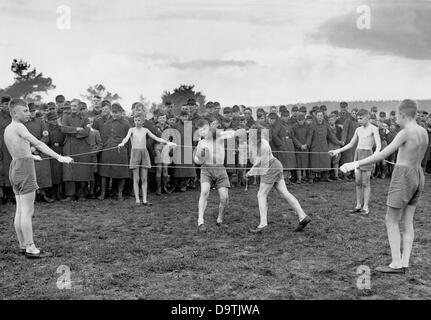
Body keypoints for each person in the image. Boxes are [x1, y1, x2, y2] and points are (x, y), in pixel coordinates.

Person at [340, 100, 427, 274]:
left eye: (396, 115)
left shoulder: (405, 132)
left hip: (404, 175)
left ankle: (396, 263)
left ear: (402, 114)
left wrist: (354, 163)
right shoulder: (423, 131)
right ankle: (405, 262)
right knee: (407, 221)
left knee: (391, 220)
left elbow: (381, 155)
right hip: (419, 174)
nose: (395, 118)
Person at [4, 99, 73, 258]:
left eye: (28, 110)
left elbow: (18, 149)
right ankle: (31, 247)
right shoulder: (19, 126)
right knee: (27, 211)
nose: (28, 113)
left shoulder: (8, 129)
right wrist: (59, 157)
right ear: (15, 113)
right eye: (25, 111)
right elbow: (38, 144)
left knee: (20, 210)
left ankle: (23, 245)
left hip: (15, 166)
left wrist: (30, 156)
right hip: (24, 169)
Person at [246, 126, 311, 233]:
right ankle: (303, 216)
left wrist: (251, 172)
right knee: (284, 193)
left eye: (252, 135)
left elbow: (260, 162)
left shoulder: (263, 145)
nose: (250, 137)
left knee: (261, 195)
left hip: (271, 167)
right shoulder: (257, 142)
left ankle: (263, 224)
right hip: (275, 165)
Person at [329, 109, 381, 215]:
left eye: (361, 118)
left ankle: (365, 207)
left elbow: (378, 144)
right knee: (358, 182)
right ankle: (358, 205)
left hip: (367, 155)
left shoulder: (374, 128)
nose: (359, 120)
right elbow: (350, 144)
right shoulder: (358, 130)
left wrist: (376, 154)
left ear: (367, 117)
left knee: (366, 182)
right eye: (358, 118)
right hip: (358, 155)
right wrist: (337, 150)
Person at [193, 119, 241, 231]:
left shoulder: (219, 137)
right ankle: (200, 221)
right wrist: (201, 156)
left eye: (205, 128)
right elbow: (197, 161)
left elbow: (229, 134)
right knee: (204, 192)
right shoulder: (201, 143)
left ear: (209, 128)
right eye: (200, 130)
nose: (203, 131)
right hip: (206, 169)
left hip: (220, 169)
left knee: (224, 197)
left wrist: (238, 132)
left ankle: (220, 219)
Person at [119, 114, 176, 205]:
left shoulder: (146, 130)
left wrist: (168, 143)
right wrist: (122, 143)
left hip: (144, 153)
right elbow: (126, 138)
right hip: (135, 153)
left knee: (144, 178)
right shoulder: (131, 130)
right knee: (136, 178)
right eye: (136, 120)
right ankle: (137, 199)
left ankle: (145, 199)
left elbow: (156, 138)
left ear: (143, 122)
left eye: (139, 120)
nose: (137, 122)